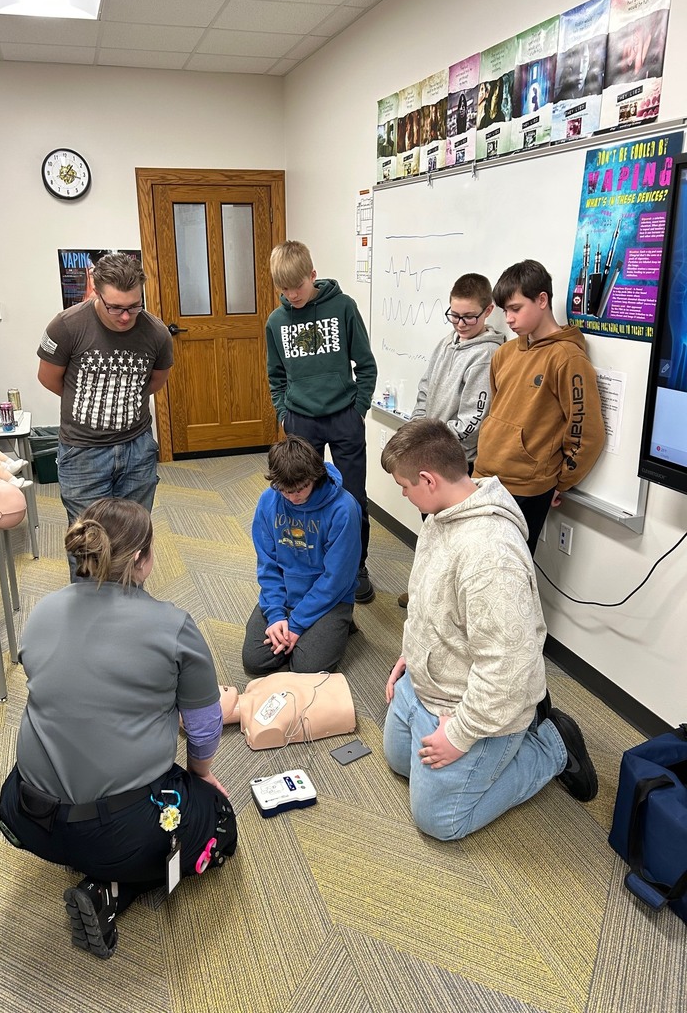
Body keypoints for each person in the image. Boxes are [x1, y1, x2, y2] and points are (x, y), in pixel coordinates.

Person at [0, 499, 236, 959]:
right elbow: (204, 727)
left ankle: (105, 879)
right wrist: (201, 775)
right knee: (221, 823)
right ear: (143, 561)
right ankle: (114, 885)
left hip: (24, 814)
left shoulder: (43, 610)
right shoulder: (174, 626)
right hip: (117, 827)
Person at [381, 418, 598, 842]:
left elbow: (509, 665)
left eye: (405, 486)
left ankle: (551, 745)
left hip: (474, 702)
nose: (403, 494)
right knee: (399, 762)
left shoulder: (490, 554)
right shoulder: (441, 513)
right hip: (432, 678)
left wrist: (459, 734)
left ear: (428, 479)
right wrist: (411, 654)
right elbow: (428, 600)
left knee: (438, 821)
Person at [265, 240, 377, 602]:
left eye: (297, 285)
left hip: (344, 416)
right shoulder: (277, 321)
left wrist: (357, 410)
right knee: (301, 496)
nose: (292, 294)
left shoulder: (343, 307)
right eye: (284, 289)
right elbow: (276, 376)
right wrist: (284, 414)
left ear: (312, 275)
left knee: (353, 498)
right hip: (301, 421)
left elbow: (366, 365)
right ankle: (310, 565)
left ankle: (356, 567)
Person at [473, 260, 605, 555]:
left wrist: (562, 482)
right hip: (483, 476)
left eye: (516, 308)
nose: (508, 318)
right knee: (475, 561)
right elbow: (498, 410)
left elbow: (587, 434)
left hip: (526, 488)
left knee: (508, 572)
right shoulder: (505, 353)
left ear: (542, 300)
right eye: (505, 310)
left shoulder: (568, 358)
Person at [37, 251, 173, 537]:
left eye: (134, 307)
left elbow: (156, 382)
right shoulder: (66, 326)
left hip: (137, 447)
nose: (125, 316)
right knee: (88, 542)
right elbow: (48, 378)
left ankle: (126, 586)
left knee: (132, 537)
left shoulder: (157, 333)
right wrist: (91, 402)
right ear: (96, 293)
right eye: (115, 307)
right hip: (82, 451)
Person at [396, 273, 504, 607]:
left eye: (468, 316)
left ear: (487, 312)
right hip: (426, 452)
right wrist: (415, 434)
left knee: (450, 540)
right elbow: (425, 389)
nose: (459, 322)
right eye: (454, 314)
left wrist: (430, 446)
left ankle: (441, 604)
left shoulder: (486, 354)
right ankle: (425, 594)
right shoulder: (446, 342)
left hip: (453, 462)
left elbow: (473, 419)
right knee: (430, 531)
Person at [242, 435, 361, 675]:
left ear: (315, 477)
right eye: (285, 491)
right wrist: (276, 615)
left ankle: (341, 624)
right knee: (255, 661)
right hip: (285, 595)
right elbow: (268, 564)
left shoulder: (343, 509)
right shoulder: (268, 501)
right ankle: (310, 631)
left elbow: (336, 579)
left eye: (300, 489)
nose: (293, 497)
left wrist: (296, 624)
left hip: (330, 598)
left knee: (307, 668)